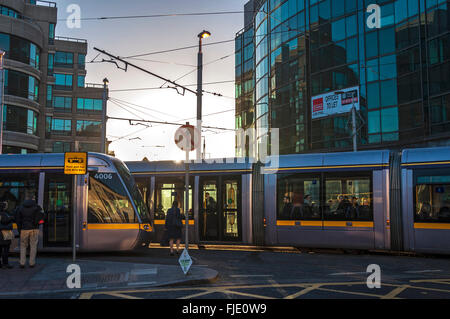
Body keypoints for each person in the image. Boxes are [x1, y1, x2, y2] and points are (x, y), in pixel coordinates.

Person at [15, 196, 44, 268]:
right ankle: (32, 263)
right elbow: (42, 216)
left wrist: (19, 230)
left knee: (23, 246)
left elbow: (18, 220)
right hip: (34, 229)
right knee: (33, 246)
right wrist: (37, 223)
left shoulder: (20, 207)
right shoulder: (37, 207)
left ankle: (22, 263)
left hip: (24, 229)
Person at [0, 202, 14, 269]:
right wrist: (11, 219)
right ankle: (5, 264)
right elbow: (5, 221)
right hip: (4, 234)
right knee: (5, 250)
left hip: (1, 235)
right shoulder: (4, 214)